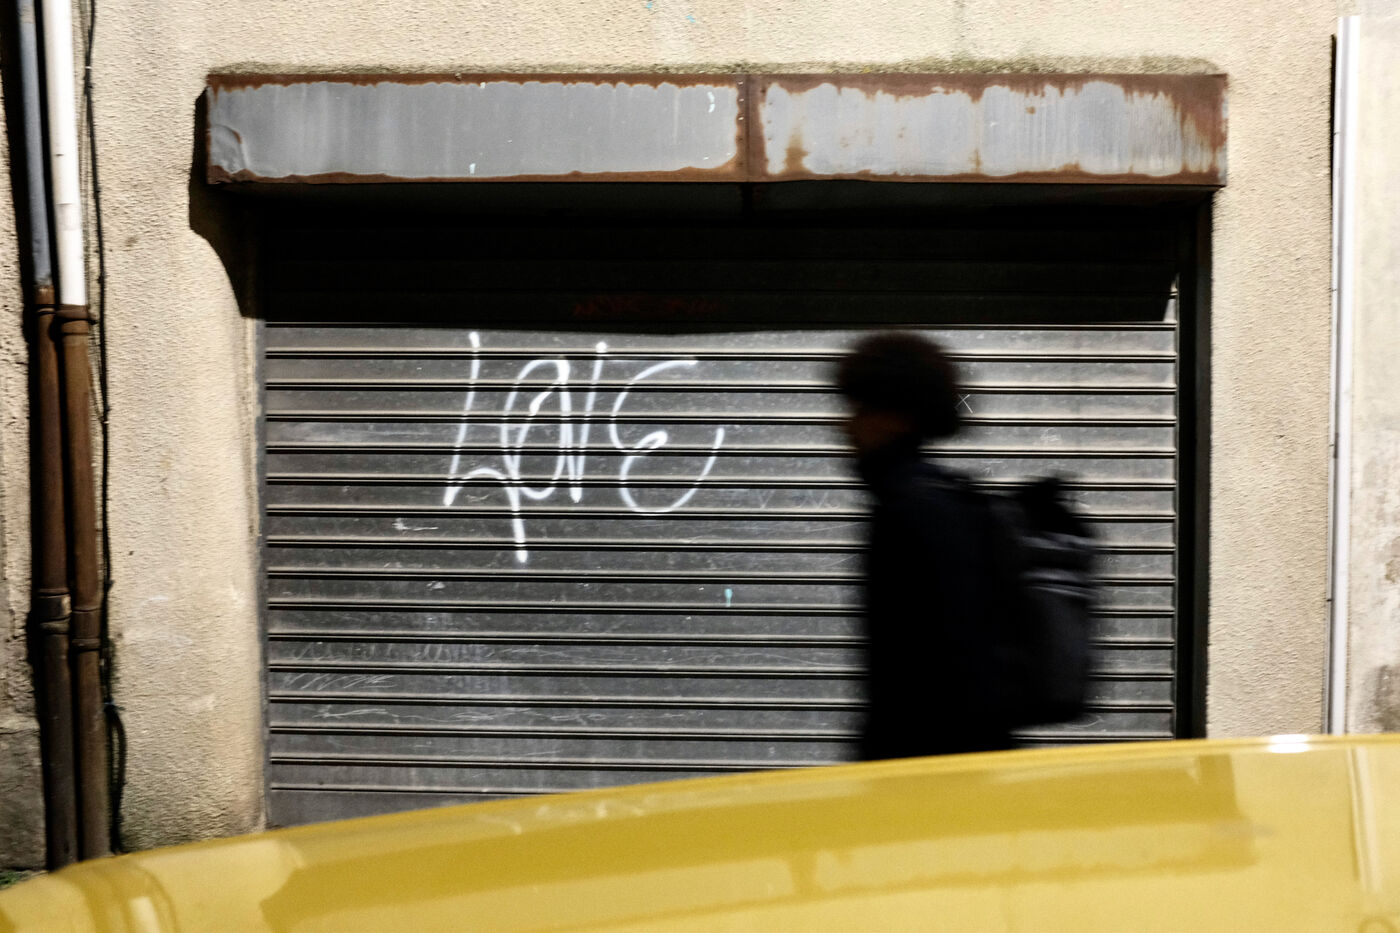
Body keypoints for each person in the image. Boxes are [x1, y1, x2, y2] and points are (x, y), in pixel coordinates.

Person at [837, 332, 1016, 760]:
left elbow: (934, 668)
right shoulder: (946, 499)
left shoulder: (914, 510)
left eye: (860, 408)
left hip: (929, 765)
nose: (845, 427)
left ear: (896, 416)